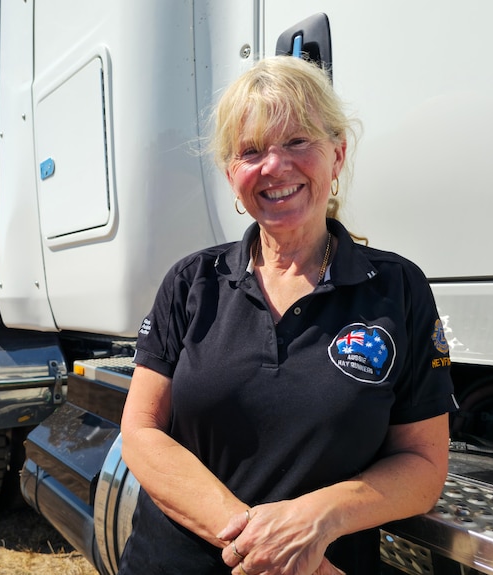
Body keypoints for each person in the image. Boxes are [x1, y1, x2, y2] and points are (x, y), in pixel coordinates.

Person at [118, 55, 456, 575]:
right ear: (232, 175)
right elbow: (141, 430)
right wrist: (260, 543)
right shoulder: (191, 282)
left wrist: (314, 520)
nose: (274, 167)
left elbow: (424, 466)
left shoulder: (398, 289)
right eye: (250, 151)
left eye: (297, 141)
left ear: (337, 154)